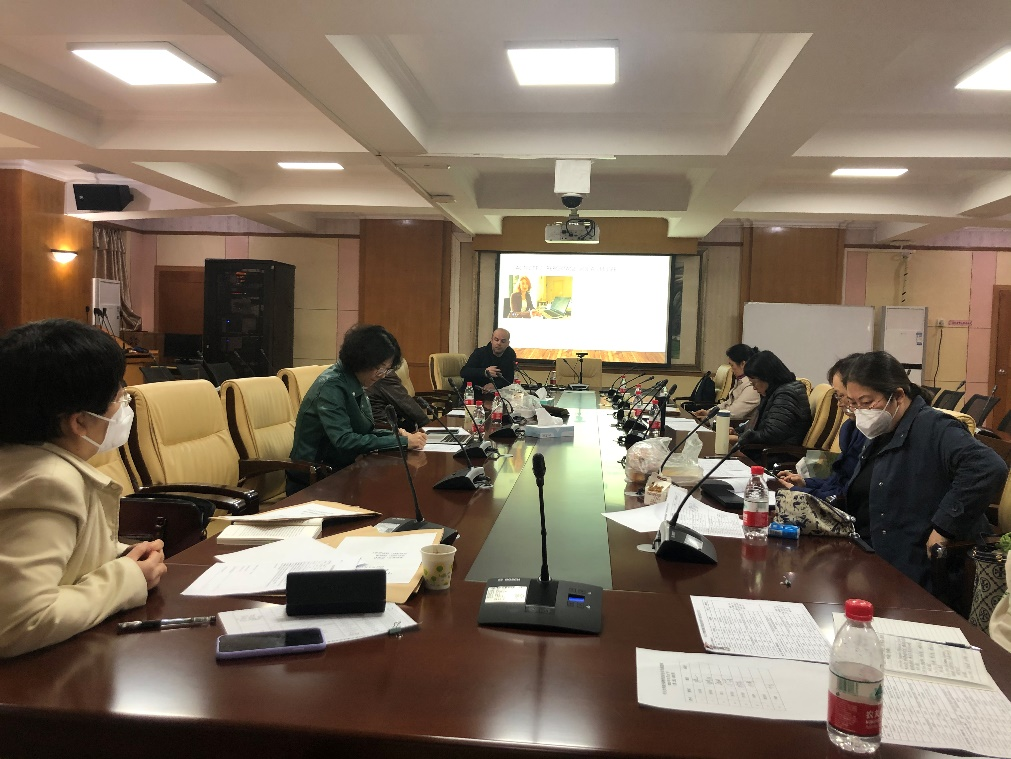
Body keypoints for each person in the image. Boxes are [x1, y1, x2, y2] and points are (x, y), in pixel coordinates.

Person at [0, 319, 166, 658]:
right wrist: (128, 577)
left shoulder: (23, 459)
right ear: (78, 421)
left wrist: (119, 554)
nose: (123, 408)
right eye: (118, 398)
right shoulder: (46, 483)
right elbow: (21, 621)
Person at [842, 351, 1007, 590]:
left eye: (867, 403)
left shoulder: (934, 427)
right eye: (853, 404)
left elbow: (989, 467)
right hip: (871, 550)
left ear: (898, 395)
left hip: (915, 565)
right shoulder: (883, 428)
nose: (860, 411)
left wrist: (944, 526)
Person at [288, 324, 427, 495]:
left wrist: (396, 435)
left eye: (387, 369)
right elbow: (345, 440)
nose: (382, 375)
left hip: (343, 468)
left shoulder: (354, 381)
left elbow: (362, 431)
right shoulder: (332, 386)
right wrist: (403, 442)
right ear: (363, 360)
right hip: (315, 476)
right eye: (380, 368)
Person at [777, 353, 866, 502]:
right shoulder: (851, 427)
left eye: (841, 396)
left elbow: (844, 495)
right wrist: (805, 483)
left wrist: (800, 491)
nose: (840, 403)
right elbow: (838, 480)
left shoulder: (869, 433)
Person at [733, 350, 811, 448]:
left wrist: (738, 438)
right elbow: (759, 423)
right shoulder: (773, 391)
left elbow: (771, 435)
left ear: (766, 377)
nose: (754, 388)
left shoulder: (786, 395)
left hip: (775, 453)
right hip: (763, 449)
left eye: (754, 383)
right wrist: (737, 431)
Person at [694, 344, 760, 423]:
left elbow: (734, 413)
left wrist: (708, 418)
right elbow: (728, 403)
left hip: (736, 425)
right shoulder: (741, 380)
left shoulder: (752, 387)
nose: (731, 369)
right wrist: (709, 412)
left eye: (732, 365)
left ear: (743, 364)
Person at [366, 364, 431, 432]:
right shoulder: (382, 375)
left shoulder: (371, 371)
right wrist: (428, 428)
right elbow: (405, 403)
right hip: (384, 428)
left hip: (379, 425)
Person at [461, 328, 516, 393]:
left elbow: (509, 379)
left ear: (508, 343)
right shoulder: (480, 353)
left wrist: (495, 385)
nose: (499, 343)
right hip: (472, 392)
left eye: (503, 341)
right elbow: (464, 372)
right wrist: (484, 372)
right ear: (491, 340)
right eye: (496, 340)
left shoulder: (510, 354)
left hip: (495, 393)